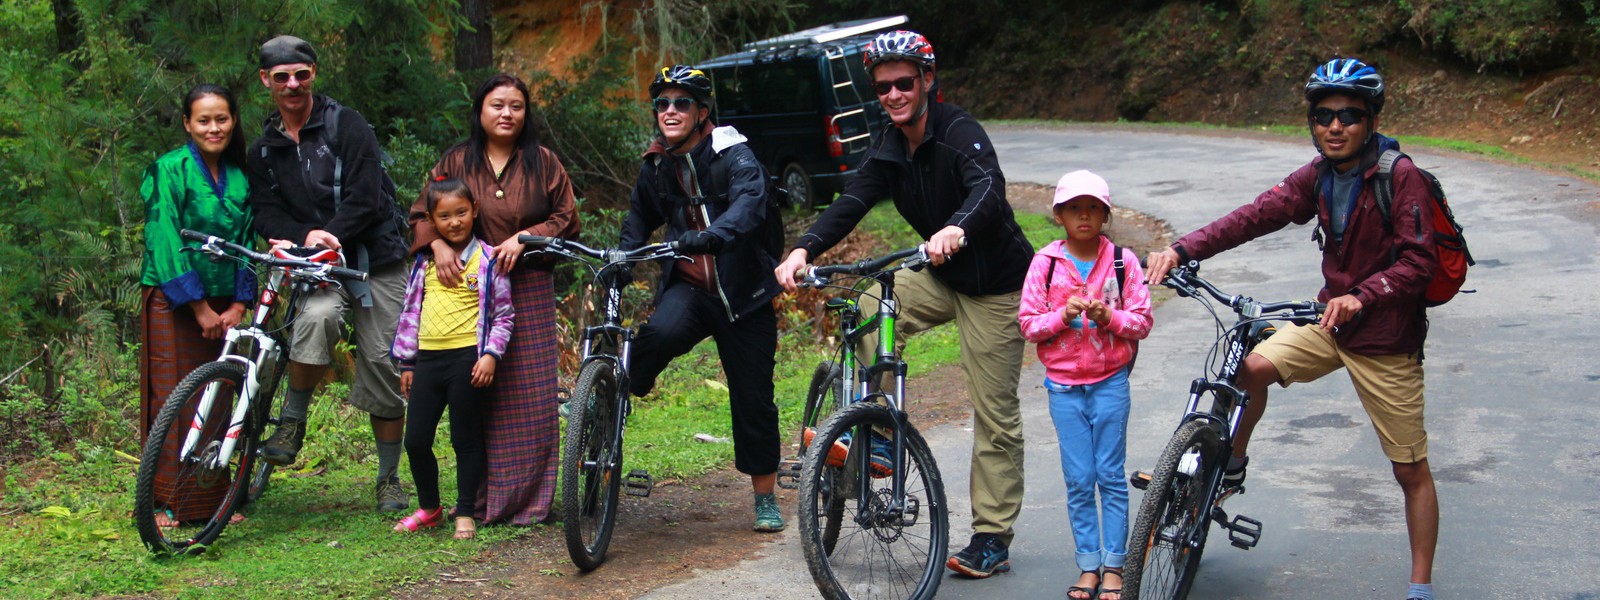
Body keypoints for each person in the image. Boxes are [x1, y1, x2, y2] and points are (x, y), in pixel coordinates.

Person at [1144, 58, 1440, 600]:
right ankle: (1229, 469)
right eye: (1324, 115)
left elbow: (1420, 262)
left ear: (1371, 120)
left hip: (1385, 339)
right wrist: (1182, 249)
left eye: (1349, 115)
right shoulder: (1319, 175)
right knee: (1250, 368)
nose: (1335, 126)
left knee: (1409, 470)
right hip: (1330, 322)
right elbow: (1255, 215)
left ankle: (1420, 587)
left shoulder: (1401, 177)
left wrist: (1362, 295)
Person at [773, 30, 1034, 578]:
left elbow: (990, 187)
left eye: (904, 83)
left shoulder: (959, 132)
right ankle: (880, 433)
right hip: (940, 275)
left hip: (994, 285)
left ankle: (992, 537)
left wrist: (955, 229)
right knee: (868, 311)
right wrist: (801, 248)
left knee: (994, 414)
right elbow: (851, 201)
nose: (893, 94)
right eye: (884, 86)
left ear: (927, 81)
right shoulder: (890, 146)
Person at [246, 35, 412, 512]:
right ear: (266, 81)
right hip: (313, 261)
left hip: (374, 257)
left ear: (314, 73)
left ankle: (388, 479)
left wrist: (331, 234)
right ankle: (292, 421)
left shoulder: (347, 125)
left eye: (301, 74)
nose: (292, 84)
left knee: (382, 359)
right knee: (315, 320)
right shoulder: (263, 151)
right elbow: (265, 212)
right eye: (282, 77)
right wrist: (305, 238)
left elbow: (368, 195)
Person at [618, 65, 785, 533]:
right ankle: (618, 391)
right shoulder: (656, 166)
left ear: (702, 112)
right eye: (662, 104)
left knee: (753, 398)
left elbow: (749, 205)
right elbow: (637, 221)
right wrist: (623, 263)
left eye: (682, 103)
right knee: (657, 334)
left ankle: (765, 497)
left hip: (745, 294)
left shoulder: (734, 154)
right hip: (690, 288)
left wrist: (711, 236)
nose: (670, 111)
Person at [407, 73, 579, 525]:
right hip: (466, 292)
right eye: (497, 105)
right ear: (480, 111)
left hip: (530, 288)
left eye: (517, 106)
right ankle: (478, 501)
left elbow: (567, 218)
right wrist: (438, 246)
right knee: (479, 396)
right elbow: (423, 212)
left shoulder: (543, 162)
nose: (507, 114)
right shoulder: (456, 160)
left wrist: (526, 238)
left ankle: (529, 503)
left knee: (530, 398)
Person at [1018, 171, 1151, 600]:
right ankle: (1088, 565)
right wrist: (1061, 316)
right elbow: (1029, 323)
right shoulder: (1046, 263)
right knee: (1078, 478)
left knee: (1110, 474)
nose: (1084, 216)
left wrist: (1109, 318)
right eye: (1075, 208)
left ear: (1105, 215)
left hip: (1111, 382)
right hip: (1063, 387)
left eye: (1094, 208)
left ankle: (1115, 565)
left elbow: (1143, 320)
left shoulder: (1122, 262)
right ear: (1059, 215)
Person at [138, 84, 254, 528]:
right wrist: (200, 308)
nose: (213, 128)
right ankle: (167, 501)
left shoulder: (240, 176)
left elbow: (246, 240)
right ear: (187, 123)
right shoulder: (167, 170)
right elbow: (164, 240)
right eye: (203, 120)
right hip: (176, 300)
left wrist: (240, 304)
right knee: (174, 397)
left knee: (220, 396)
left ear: (233, 122)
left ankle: (213, 498)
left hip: (227, 304)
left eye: (221, 119)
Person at [391, 178, 513, 540]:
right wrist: (408, 363)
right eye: (444, 216)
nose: (455, 221)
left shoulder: (489, 260)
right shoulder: (424, 262)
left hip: (466, 361)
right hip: (428, 360)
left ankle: (465, 511)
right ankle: (430, 508)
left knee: (465, 438)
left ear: (475, 210)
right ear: (432, 219)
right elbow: (410, 312)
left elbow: (504, 316)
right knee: (415, 440)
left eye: (461, 212)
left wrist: (491, 355)